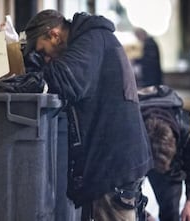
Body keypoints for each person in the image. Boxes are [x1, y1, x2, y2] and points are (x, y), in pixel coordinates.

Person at [24, 10, 153, 221]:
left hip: (114, 164)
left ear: (54, 35)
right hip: (115, 159)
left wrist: (33, 67)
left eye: (42, 50)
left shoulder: (91, 39)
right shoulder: (93, 39)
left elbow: (65, 81)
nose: (45, 58)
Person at [138, 85, 190, 221]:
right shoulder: (131, 135)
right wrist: (142, 214)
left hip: (170, 167)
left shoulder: (186, 133)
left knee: (170, 212)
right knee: (125, 207)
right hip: (139, 156)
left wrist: (189, 204)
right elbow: (118, 184)